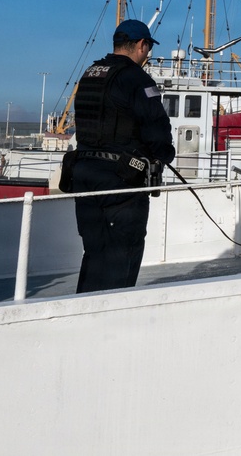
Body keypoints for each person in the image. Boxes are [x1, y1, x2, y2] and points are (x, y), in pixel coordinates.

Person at [71, 19, 175, 293]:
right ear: (142, 45)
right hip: (121, 183)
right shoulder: (137, 79)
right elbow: (158, 132)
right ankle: (112, 323)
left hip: (84, 178)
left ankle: (82, 314)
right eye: (148, 47)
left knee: (94, 253)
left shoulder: (91, 74)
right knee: (121, 257)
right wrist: (163, 155)